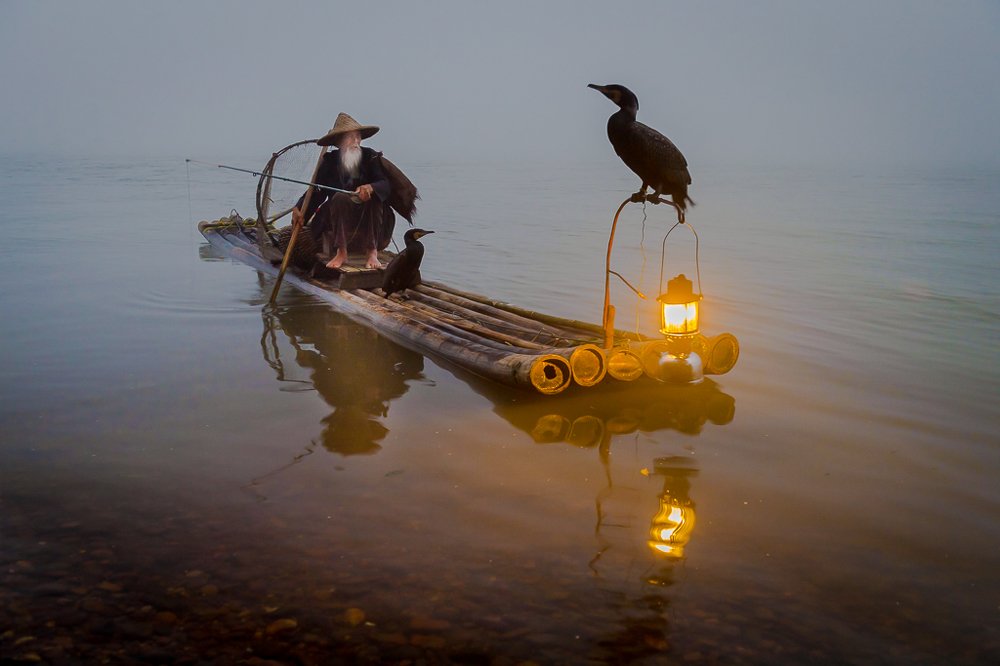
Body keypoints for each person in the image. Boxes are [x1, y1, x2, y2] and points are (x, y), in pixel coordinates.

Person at [291, 113, 394, 269]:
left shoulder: (370, 156)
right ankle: (342, 252)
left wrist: (371, 187)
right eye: (350, 137)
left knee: (375, 199)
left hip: (367, 214)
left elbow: (385, 184)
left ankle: (372, 252)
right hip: (337, 214)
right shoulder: (330, 161)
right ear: (339, 142)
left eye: (358, 137)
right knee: (339, 197)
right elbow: (317, 193)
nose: (355, 141)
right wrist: (299, 210)